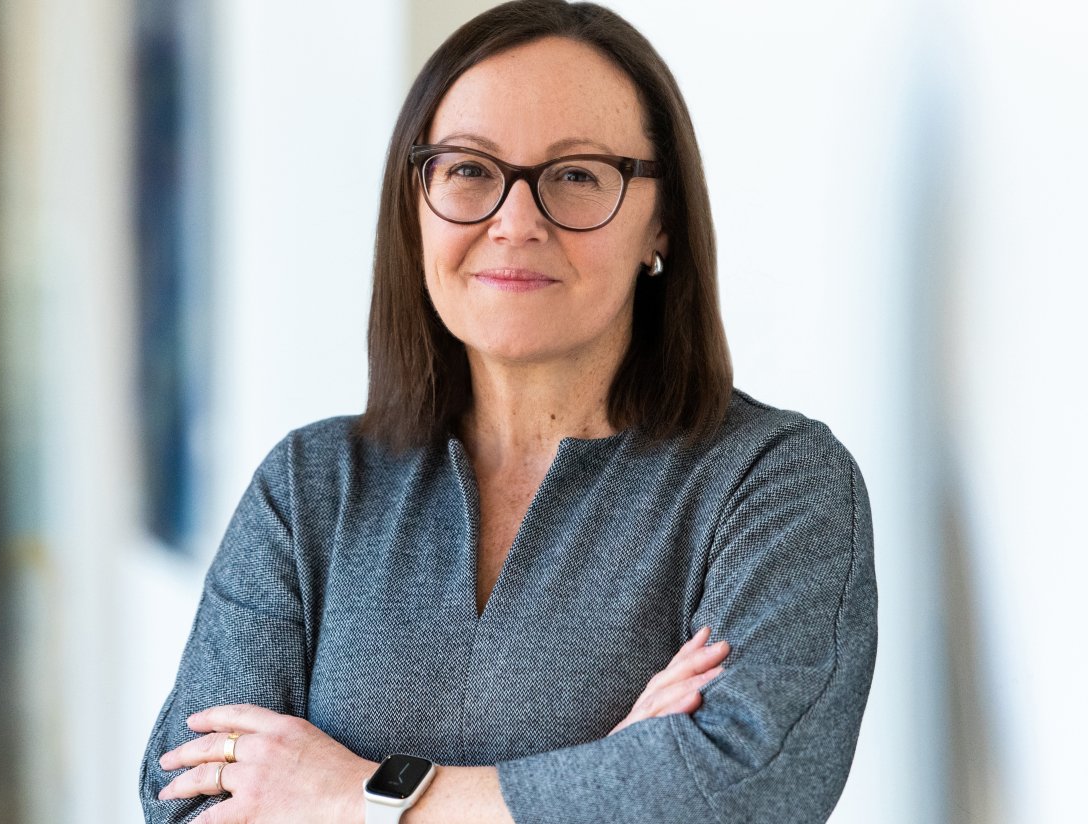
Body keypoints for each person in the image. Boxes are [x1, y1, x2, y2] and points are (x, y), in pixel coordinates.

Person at [139, 1, 876, 821]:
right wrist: (604, 776)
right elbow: (187, 800)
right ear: (414, 203)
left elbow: (746, 789)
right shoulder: (309, 488)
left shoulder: (775, 484)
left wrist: (350, 798)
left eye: (577, 175)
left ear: (660, 221)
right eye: (468, 170)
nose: (515, 222)